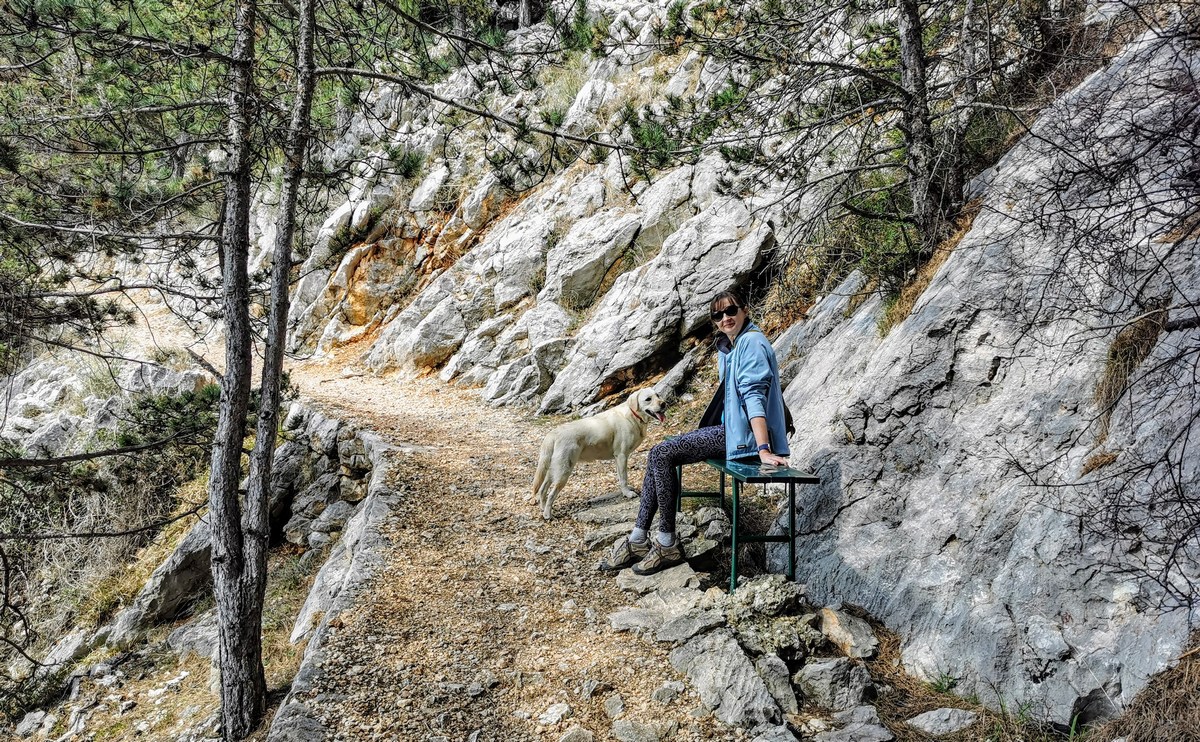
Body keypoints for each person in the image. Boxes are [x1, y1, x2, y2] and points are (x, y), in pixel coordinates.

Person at [600, 289, 791, 576]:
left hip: (743, 438)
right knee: (659, 454)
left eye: (731, 311)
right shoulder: (731, 346)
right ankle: (639, 539)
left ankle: (665, 543)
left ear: (745, 310)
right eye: (717, 314)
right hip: (731, 432)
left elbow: (755, 397)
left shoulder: (751, 343)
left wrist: (763, 449)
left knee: (661, 454)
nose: (725, 318)